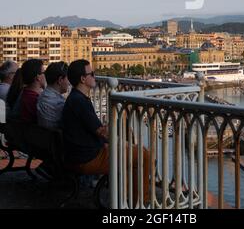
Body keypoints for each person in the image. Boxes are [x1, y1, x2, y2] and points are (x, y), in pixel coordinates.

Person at [62, 59, 150, 206]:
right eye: (92, 74)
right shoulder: (80, 102)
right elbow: (102, 132)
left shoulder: (75, 98)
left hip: (78, 154)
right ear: (83, 79)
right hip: (87, 159)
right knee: (143, 155)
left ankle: (129, 197)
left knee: (131, 149)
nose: (95, 77)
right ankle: (141, 202)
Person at [37, 61, 69, 129]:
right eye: (67, 78)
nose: (69, 83)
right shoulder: (59, 103)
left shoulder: (42, 96)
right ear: (60, 80)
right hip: (55, 138)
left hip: (43, 137)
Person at [19, 59, 46, 123]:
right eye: (43, 72)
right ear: (38, 77)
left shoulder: (24, 93)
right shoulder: (35, 99)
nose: (45, 75)